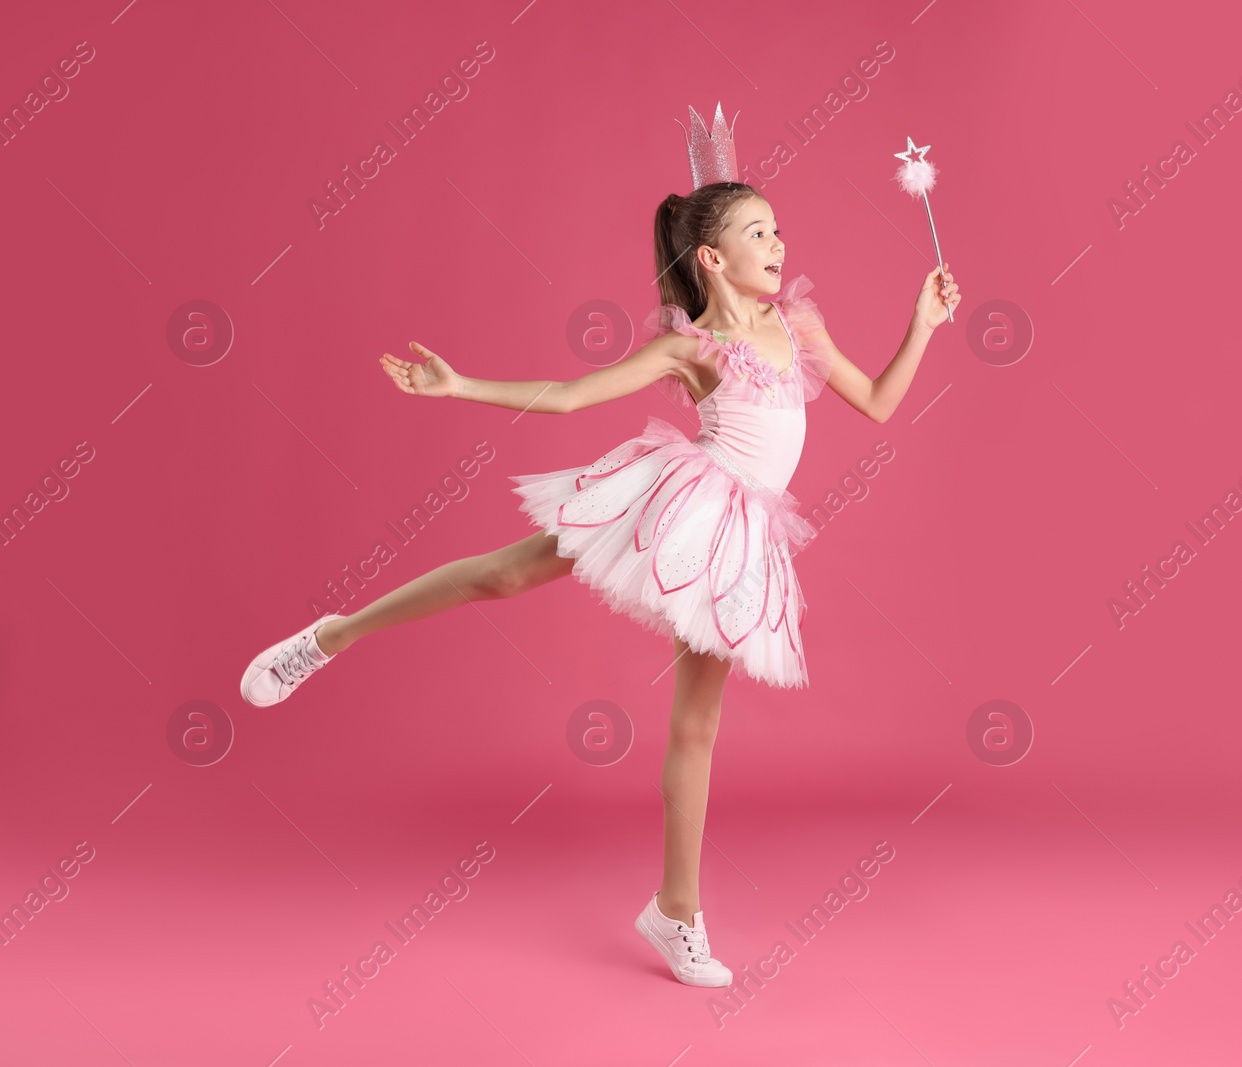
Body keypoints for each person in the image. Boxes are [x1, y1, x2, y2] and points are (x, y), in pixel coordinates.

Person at [239, 103, 959, 988]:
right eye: (758, 232)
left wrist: (921, 323)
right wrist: (458, 384)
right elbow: (575, 396)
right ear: (711, 258)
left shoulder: (799, 326)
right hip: (677, 496)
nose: (779, 243)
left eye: (780, 228)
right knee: (503, 575)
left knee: (696, 725)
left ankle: (676, 912)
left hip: (739, 537)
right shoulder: (691, 346)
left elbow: (879, 403)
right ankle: (330, 634)